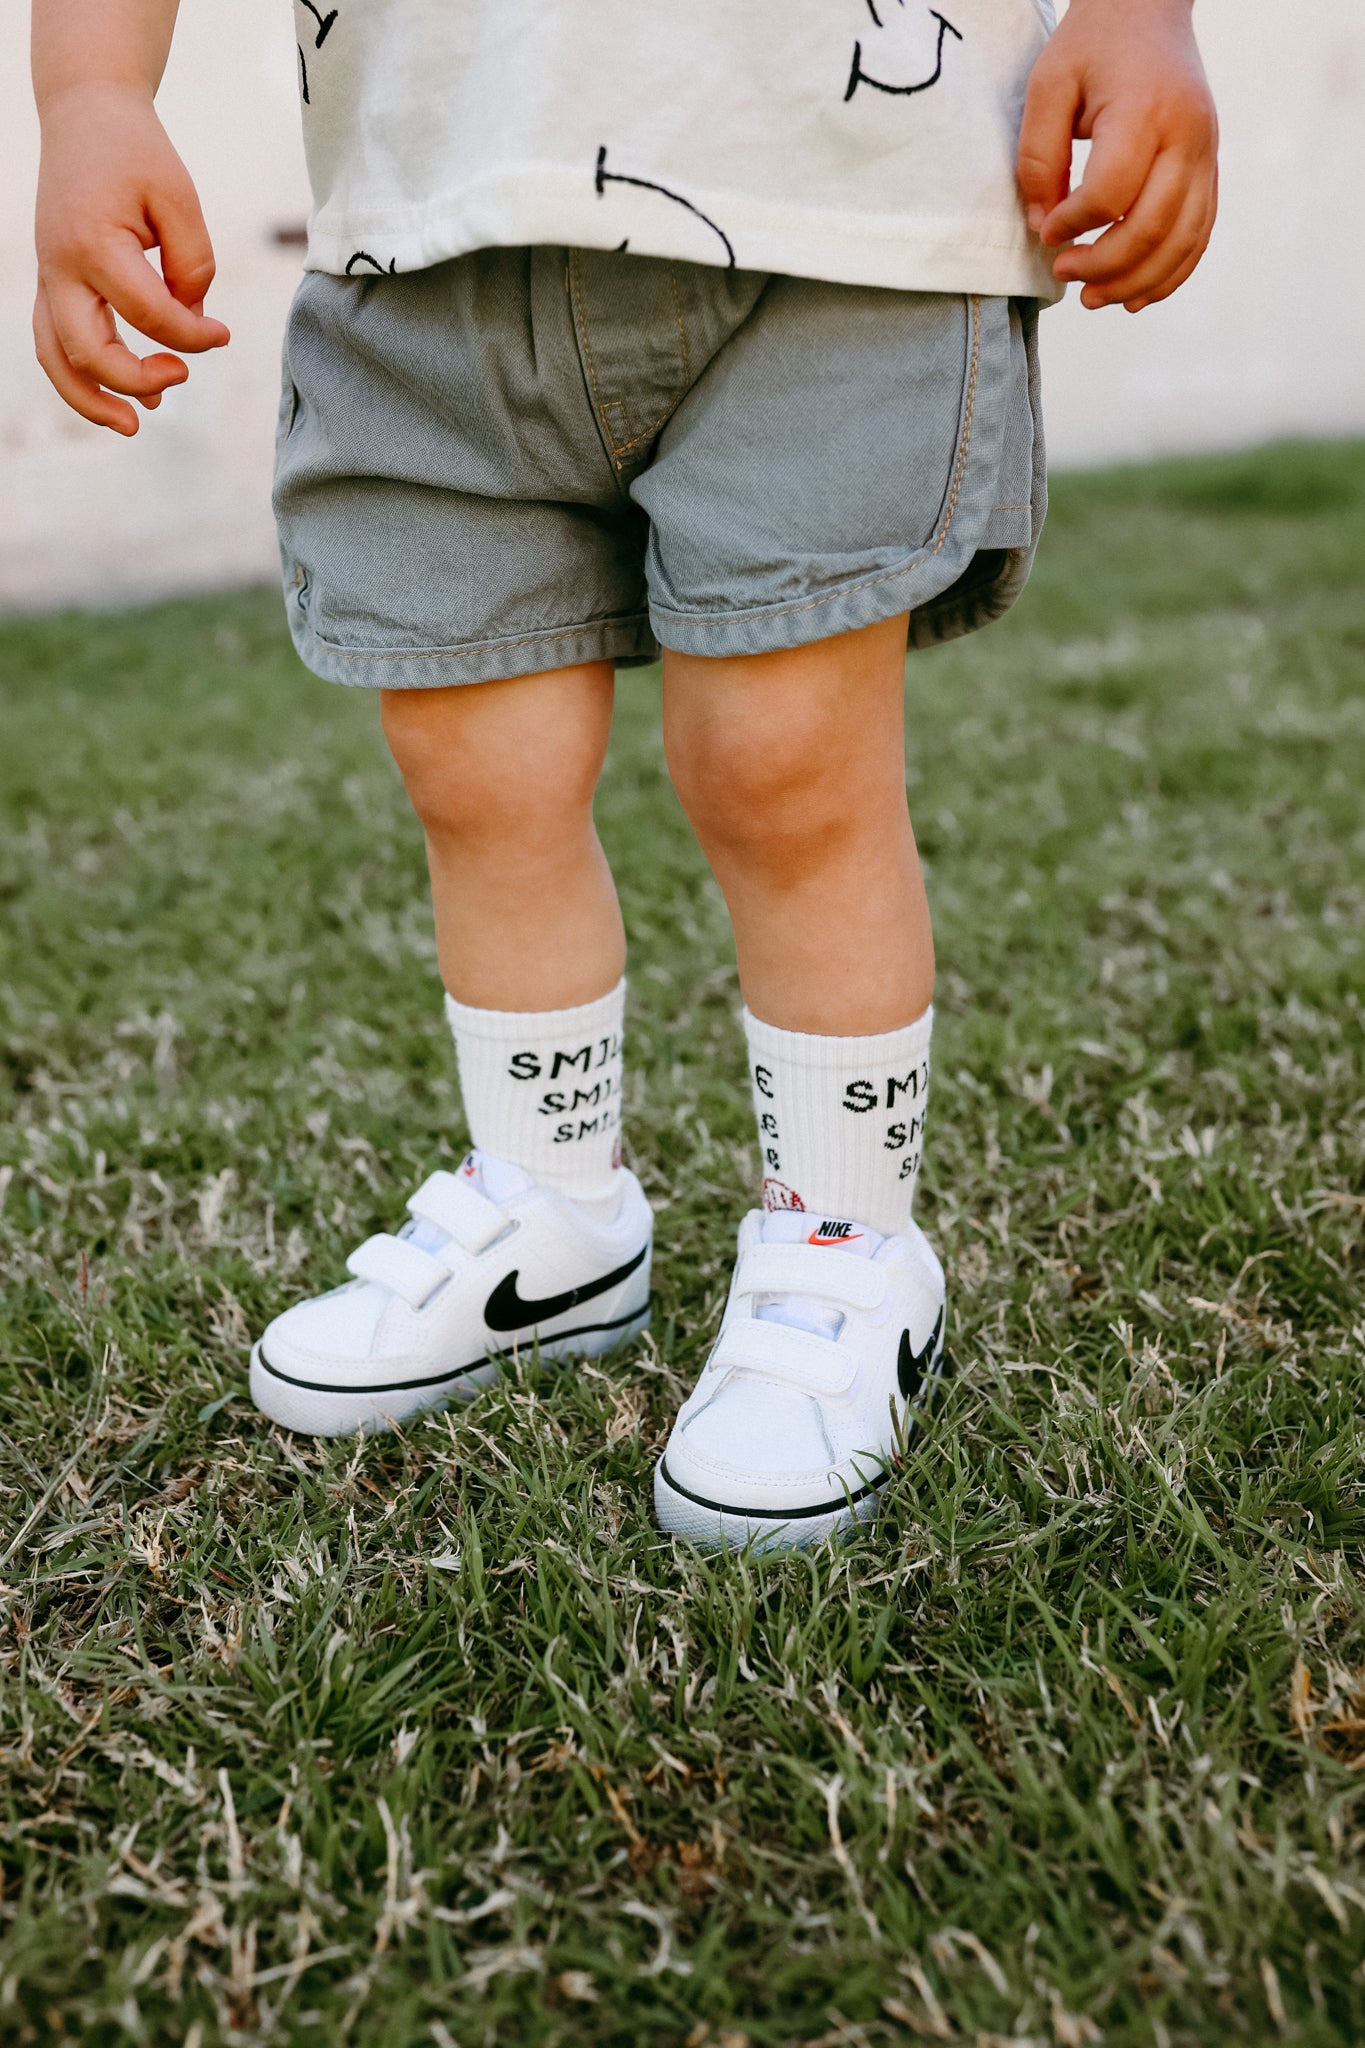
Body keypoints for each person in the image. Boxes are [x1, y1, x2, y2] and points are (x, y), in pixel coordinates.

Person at [31, 0, 1217, 1549]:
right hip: (430, 223)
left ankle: (845, 1242)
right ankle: (555, 1213)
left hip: (842, 210)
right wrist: (89, 96)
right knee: (473, 759)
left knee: (782, 765)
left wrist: (1142, 17)